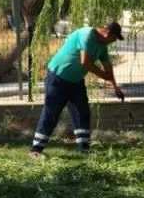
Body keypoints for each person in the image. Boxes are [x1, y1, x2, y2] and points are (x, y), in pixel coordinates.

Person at [29, 22, 125, 158]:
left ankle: (84, 149)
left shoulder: (102, 47)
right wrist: (102, 75)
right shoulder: (87, 34)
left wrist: (115, 87)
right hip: (58, 78)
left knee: (82, 113)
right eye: (114, 38)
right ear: (108, 33)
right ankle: (36, 150)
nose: (113, 42)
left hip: (76, 82)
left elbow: (108, 68)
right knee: (51, 113)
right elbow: (84, 61)